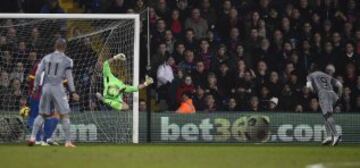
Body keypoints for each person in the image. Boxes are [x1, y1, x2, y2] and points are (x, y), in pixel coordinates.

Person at [28, 38, 79, 148]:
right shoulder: (68, 60)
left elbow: (37, 74)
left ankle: (32, 137)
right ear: (65, 47)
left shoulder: (46, 58)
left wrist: (36, 87)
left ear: (55, 46)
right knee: (64, 115)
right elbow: (69, 77)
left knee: (42, 114)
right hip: (58, 88)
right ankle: (68, 142)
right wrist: (73, 91)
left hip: (46, 87)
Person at [305, 66, 343, 146]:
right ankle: (329, 136)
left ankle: (335, 135)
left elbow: (309, 87)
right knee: (327, 115)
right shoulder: (325, 75)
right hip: (333, 94)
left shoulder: (310, 75)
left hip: (323, 93)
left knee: (327, 115)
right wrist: (339, 97)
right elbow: (340, 85)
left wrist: (314, 92)